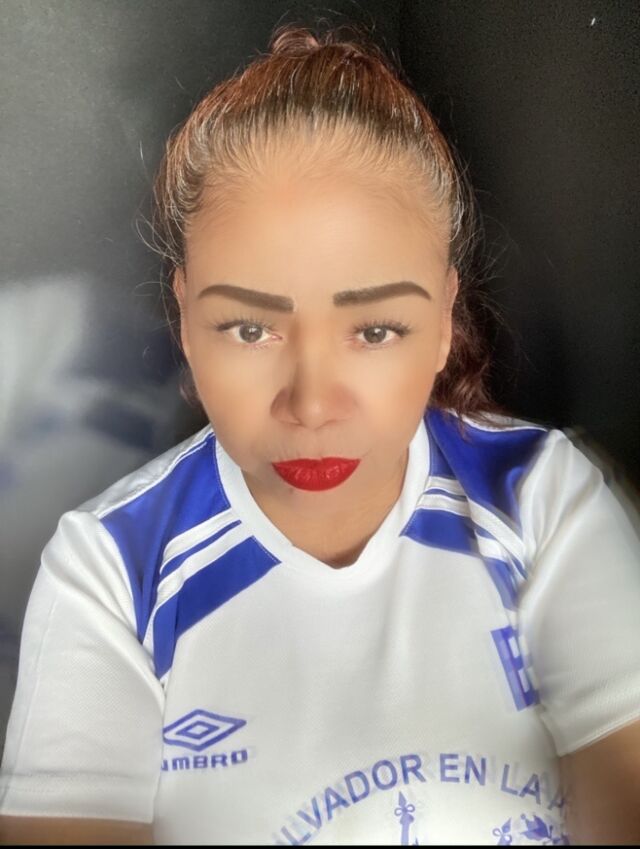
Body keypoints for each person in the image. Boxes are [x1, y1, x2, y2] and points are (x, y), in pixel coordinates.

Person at [1, 22, 639, 846]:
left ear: (443, 321)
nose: (309, 404)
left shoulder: (542, 499)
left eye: (374, 330)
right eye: (249, 329)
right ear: (186, 320)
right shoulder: (113, 572)